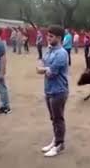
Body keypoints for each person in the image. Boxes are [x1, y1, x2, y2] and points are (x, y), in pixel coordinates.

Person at [36, 25, 69, 157]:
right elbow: (43, 65)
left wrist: (43, 69)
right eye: (47, 35)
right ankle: (55, 140)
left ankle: (59, 144)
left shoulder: (62, 53)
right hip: (49, 90)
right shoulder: (49, 51)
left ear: (59, 38)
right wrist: (44, 68)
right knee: (53, 118)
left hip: (59, 91)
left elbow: (51, 72)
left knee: (58, 119)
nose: (48, 38)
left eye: (51, 36)